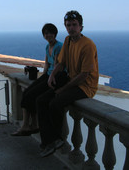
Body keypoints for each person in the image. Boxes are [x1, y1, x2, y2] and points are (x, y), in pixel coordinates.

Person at [37, 10, 99, 157]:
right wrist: (52, 74)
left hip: (85, 86)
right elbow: (61, 62)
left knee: (55, 103)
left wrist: (63, 89)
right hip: (71, 80)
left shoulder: (88, 45)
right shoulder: (68, 40)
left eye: (74, 25)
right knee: (41, 101)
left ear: (81, 26)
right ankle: (49, 141)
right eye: (68, 25)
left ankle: (56, 139)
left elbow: (84, 75)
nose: (71, 28)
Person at [11, 23, 63, 136]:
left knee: (31, 95)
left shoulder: (58, 46)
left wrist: (46, 80)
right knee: (27, 93)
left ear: (55, 34)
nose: (48, 35)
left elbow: (57, 66)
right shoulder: (47, 46)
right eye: (46, 33)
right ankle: (33, 124)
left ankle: (26, 126)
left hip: (54, 77)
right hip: (47, 76)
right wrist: (41, 78)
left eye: (50, 33)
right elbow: (46, 65)